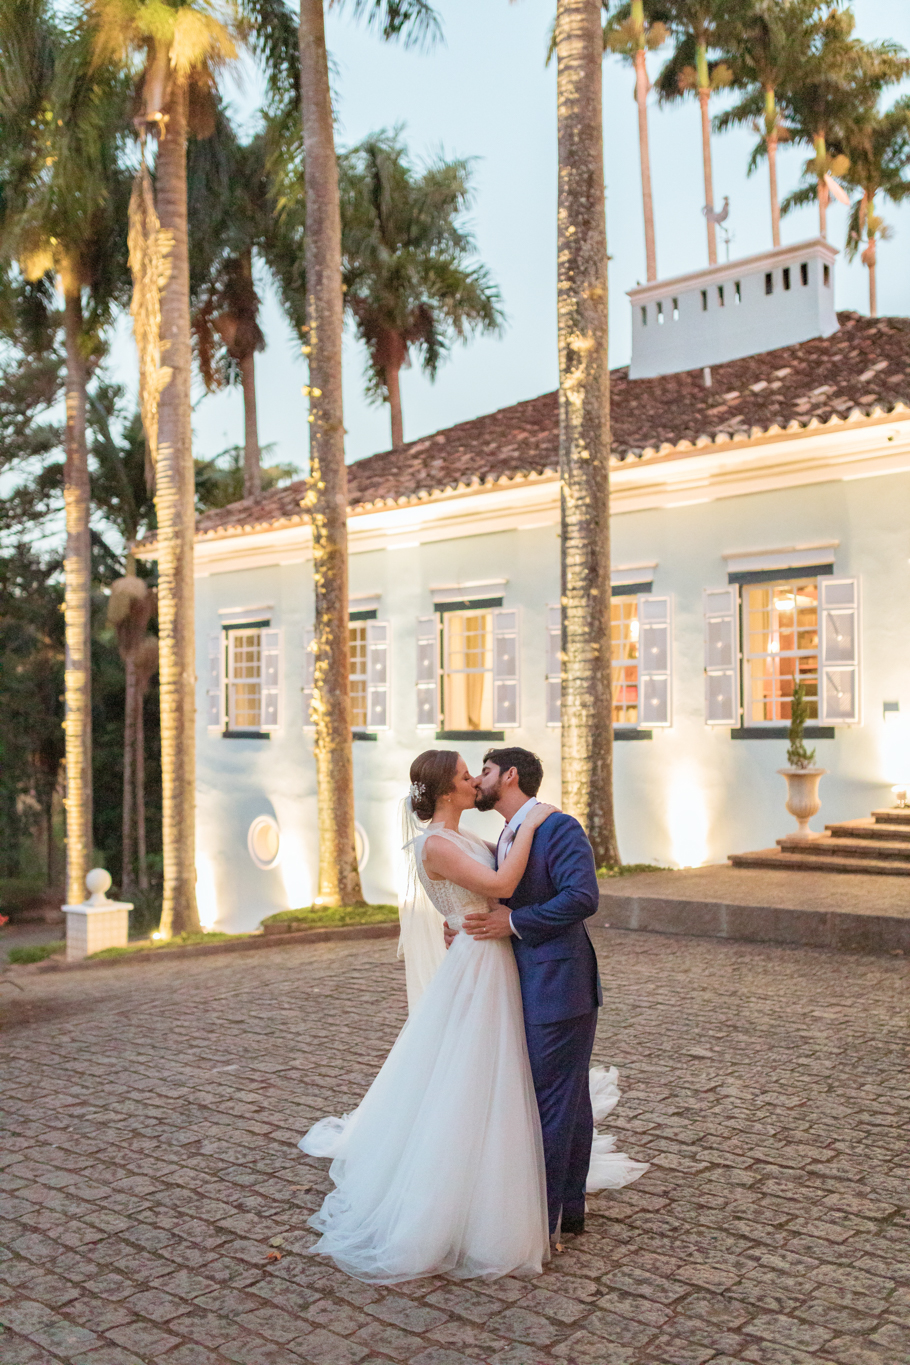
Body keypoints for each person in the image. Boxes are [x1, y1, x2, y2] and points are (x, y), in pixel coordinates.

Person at [298, 749, 647, 1284]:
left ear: (507, 777)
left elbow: (565, 893)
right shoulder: (468, 837)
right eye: (466, 774)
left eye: (479, 772)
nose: (473, 780)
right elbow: (500, 886)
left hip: (532, 974)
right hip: (491, 970)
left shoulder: (526, 830)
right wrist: (475, 907)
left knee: (543, 1095)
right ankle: (526, 1209)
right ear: (446, 790)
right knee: (498, 1085)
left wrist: (527, 833)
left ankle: (553, 1211)